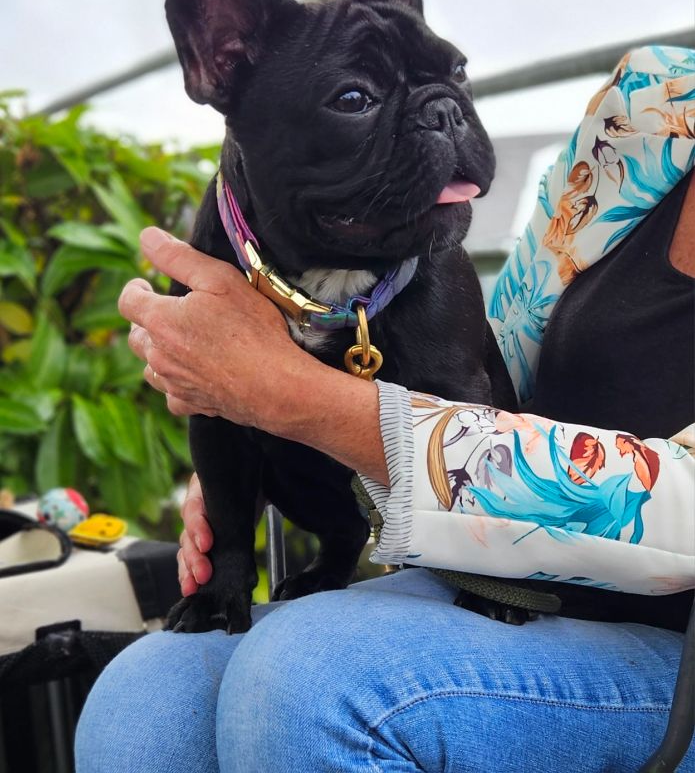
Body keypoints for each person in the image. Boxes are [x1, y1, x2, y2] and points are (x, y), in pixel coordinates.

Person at [75, 46, 695, 773]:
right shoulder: (652, 107)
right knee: (148, 691)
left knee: (315, 681)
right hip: (529, 583)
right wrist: (257, 426)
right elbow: (493, 372)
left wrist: (298, 400)